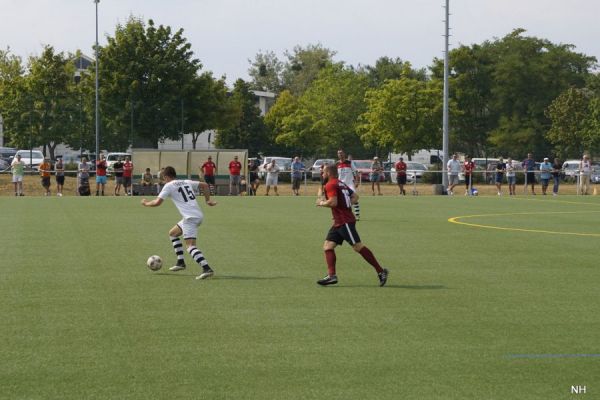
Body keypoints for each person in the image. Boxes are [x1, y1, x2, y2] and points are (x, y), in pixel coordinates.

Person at [315, 165, 388, 287]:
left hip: (345, 221)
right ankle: (332, 276)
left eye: (323, 172)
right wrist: (346, 204)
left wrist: (321, 203)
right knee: (328, 246)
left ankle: (381, 271)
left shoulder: (331, 184)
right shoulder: (340, 183)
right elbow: (355, 196)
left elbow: (333, 202)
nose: (322, 174)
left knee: (357, 247)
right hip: (339, 222)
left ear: (328, 173)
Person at [141, 166, 217, 280]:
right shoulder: (185, 181)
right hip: (196, 215)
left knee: (190, 246)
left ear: (166, 177)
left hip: (190, 218)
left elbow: (157, 202)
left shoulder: (169, 186)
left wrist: (145, 203)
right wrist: (208, 200)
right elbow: (205, 185)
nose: (163, 180)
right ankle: (180, 262)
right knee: (173, 233)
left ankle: (206, 268)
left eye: (163, 178)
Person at [336, 149, 360, 220]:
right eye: (339, 153)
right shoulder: (337, 164)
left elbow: (356, 172)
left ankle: (357, 215)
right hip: (341, 185)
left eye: (341, 153)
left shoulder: (349, 162)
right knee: (340, 200)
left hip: (350, 184)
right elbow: (335, 175)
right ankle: (340, 215)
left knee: (355, 198)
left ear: (344, 154)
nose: (340, 154)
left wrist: (357, 181)